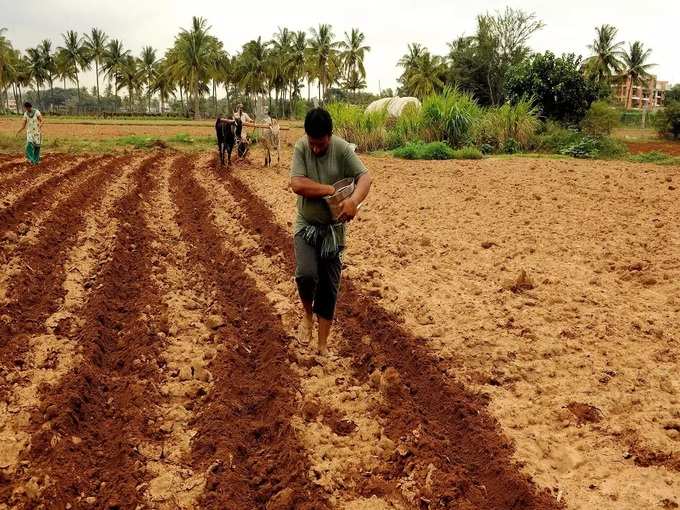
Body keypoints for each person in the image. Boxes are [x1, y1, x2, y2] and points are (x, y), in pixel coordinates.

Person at [290, 108, 372, 355]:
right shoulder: (301, 148)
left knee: (329, 286)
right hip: (307, 226)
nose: (316, 149)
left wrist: (353, 201)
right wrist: (328, 190)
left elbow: (365, 177)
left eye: (321, 144)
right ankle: (307, 315)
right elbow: (297, 184)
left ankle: (322, 345)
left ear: (330, 136)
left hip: (333, 232)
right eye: (312, 143)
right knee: (306, 275)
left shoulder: (343, 149)